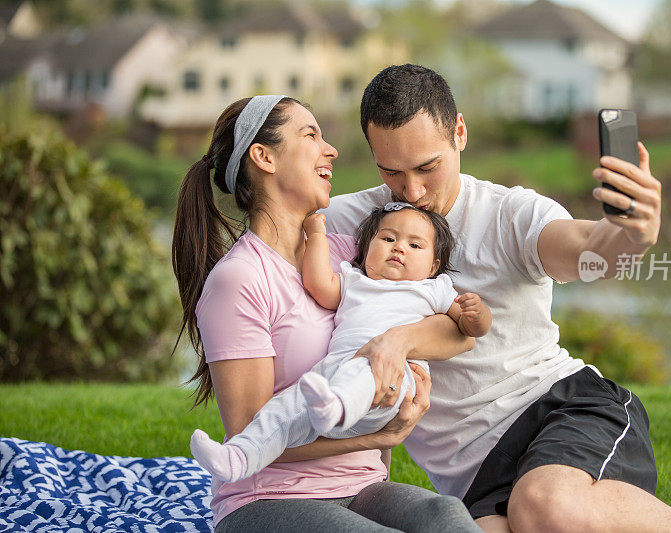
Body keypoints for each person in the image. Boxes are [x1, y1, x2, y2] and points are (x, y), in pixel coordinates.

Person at [320, 65, 671, 532]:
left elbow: (590, 252)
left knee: (547, 507)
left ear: (459, 133)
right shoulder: (353, 221)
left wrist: (631, 236)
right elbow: (259, 243)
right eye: (392, 171)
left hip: (559, 410)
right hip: (477, 480)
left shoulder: (512, 213)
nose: (413, 192)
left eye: (428, 167)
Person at [172, 94, 484, 532]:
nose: (331, 149)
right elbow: (248, 433)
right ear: (264, 157)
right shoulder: (239, 279)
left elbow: (460, 334)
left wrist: (396, 343)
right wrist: (379, 436)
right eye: (311, 134)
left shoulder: (346, 255)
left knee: (447, 515)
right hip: (269, 498)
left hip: (362, 487)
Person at [189, 202, 491, 483]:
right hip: (333, 371)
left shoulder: (433, 288)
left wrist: (477, 316)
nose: (399, 247)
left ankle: (337, 407)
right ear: (366, 247)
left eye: (414, 245)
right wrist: (317, 234)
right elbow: (319, 284)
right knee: (284, 406)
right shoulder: (354, 277)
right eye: (387, 239)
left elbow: (466, 330)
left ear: (433, 266)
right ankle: (239, 457)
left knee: (362, 372)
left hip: (392, 380)